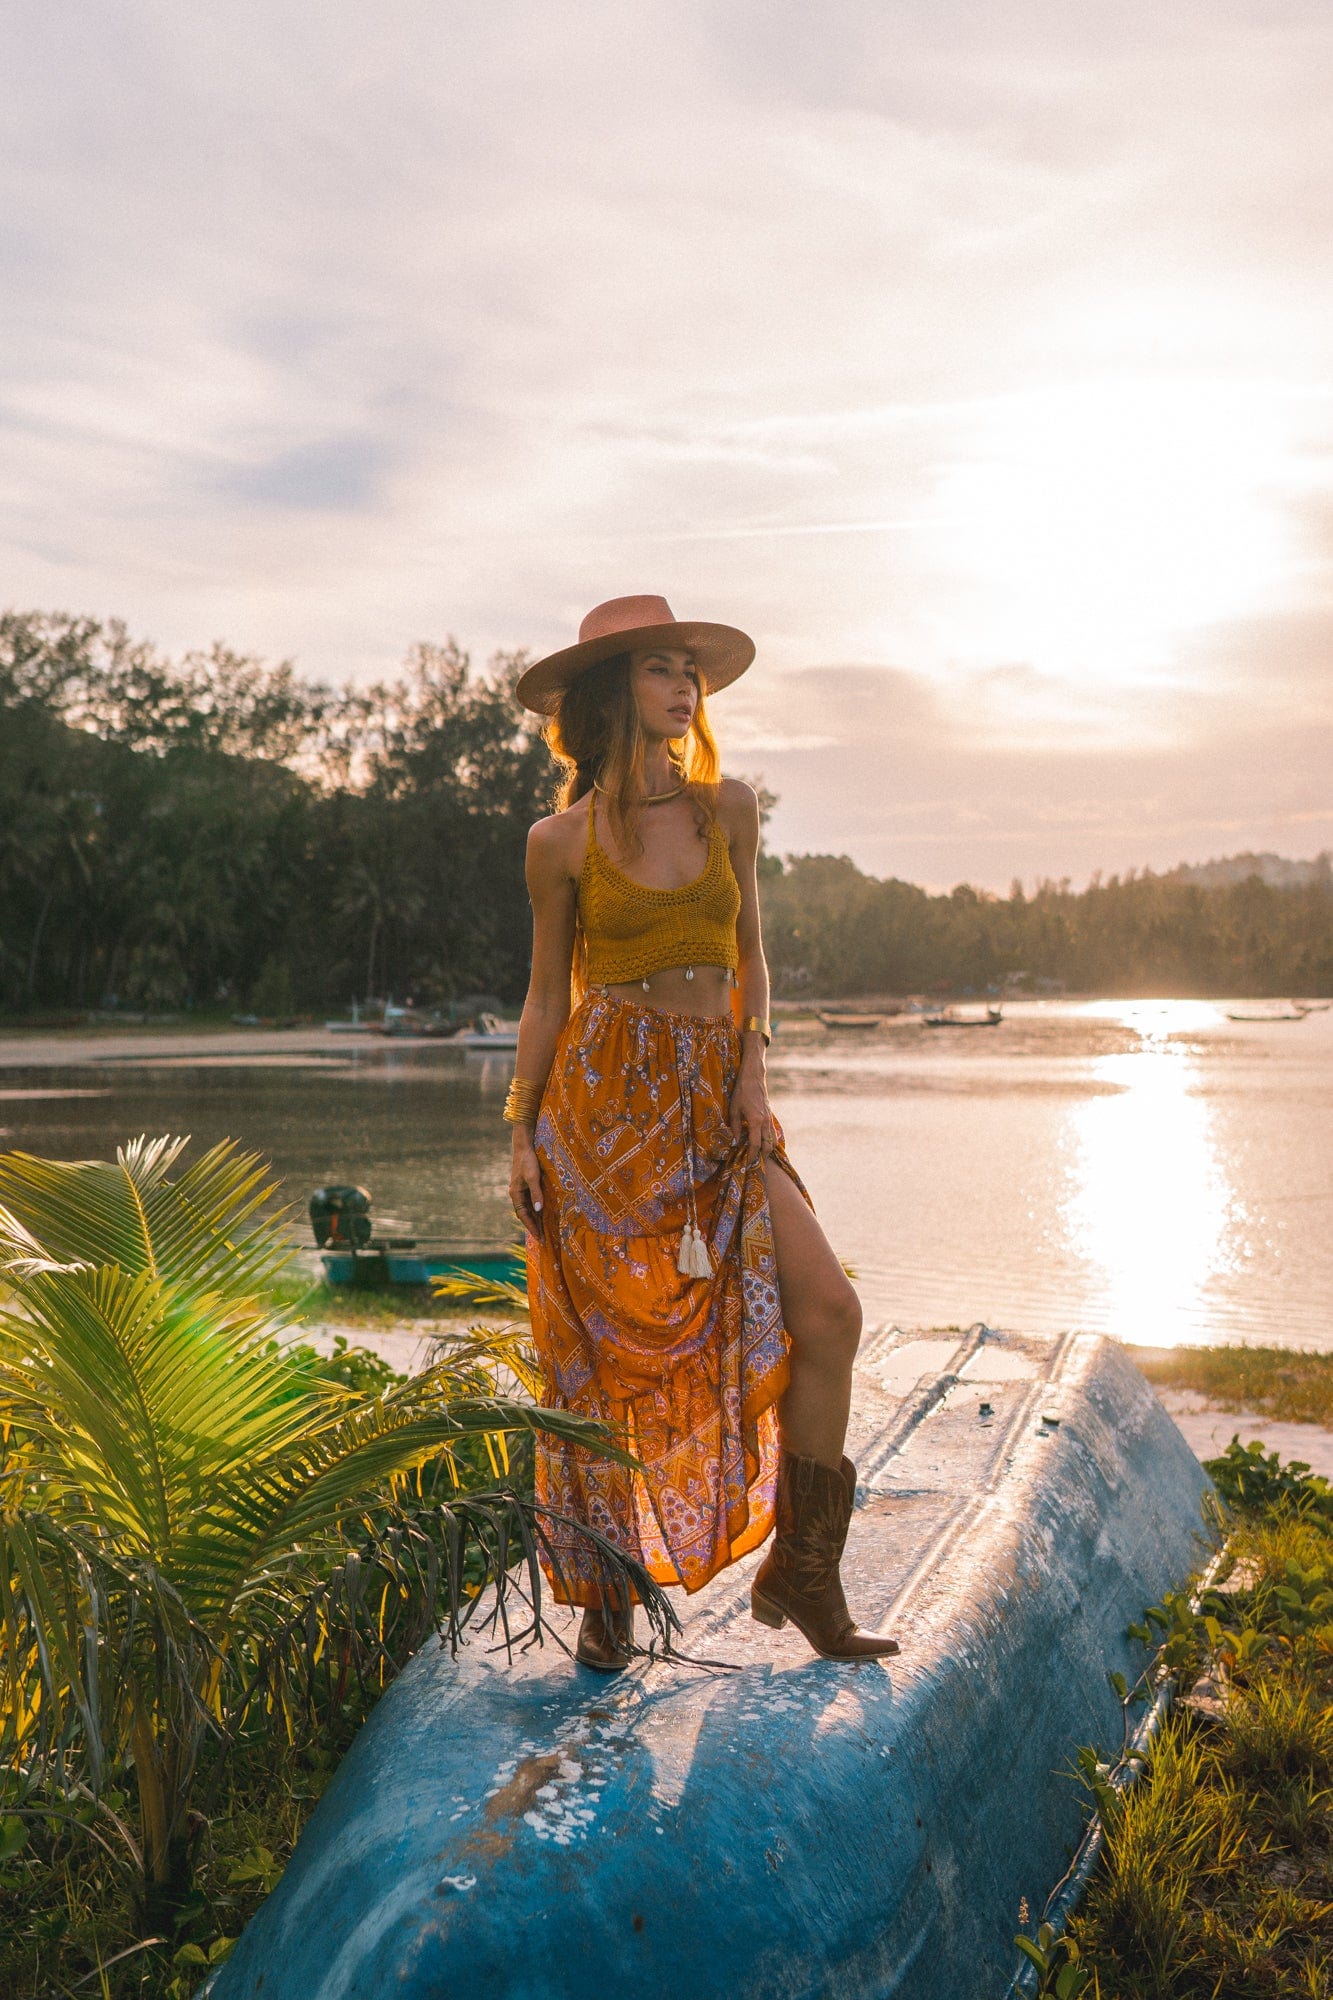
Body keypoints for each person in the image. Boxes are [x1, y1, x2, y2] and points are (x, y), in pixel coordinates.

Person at [506, 595, 898, 1671]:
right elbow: (546, 999)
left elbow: (753, 961)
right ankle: (606, 1588)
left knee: (828, 1308)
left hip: (720, 1098)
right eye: (659, 669)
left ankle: (804, 1570)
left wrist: (753, 1067)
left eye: (691, 670)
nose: (684, 687)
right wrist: (520, 1129)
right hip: (605, 1113)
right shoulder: (560, 841)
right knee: (604, 1354)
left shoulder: (729, 807)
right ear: (608, 693)